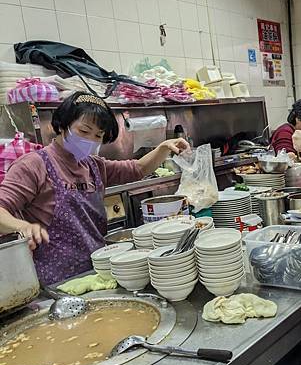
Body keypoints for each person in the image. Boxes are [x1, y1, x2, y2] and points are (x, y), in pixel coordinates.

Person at [0, 92, 189, 285]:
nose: (91, 140)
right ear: (63, 125)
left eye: (98, 135)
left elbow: (136, 169)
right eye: (84, 131)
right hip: (56, 282)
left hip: (97, 274)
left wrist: (164, 147)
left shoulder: (93, 165)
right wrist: (22, 227)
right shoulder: (33, 165)